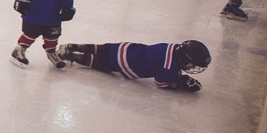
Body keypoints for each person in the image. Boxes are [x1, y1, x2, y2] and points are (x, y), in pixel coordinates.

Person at [57, 40, 211, 92]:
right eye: (191, 63)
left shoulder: (174, 47)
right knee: (98, 62)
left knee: (101, 48)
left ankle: (72, 46)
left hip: (127, 47)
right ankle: (71, 55)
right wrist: (178, 83)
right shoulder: (169, 67)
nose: (191, 66)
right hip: (127, 64)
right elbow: (161, 83)